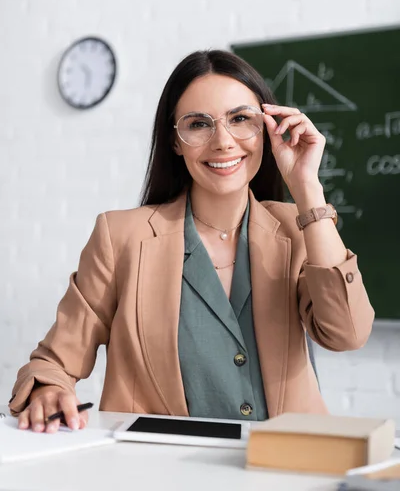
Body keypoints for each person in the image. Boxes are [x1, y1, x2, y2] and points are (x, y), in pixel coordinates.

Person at [10, 50, 374, 434]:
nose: (223, 141)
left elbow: (347, 333)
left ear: (267, 129)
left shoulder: (297, 229)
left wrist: (307, 189)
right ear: (175, 141)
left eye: (240, 119)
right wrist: (48, 390)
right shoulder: (120, 239)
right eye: (199, 124)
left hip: (284, 468)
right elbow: (53, 363)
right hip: (162, 472)